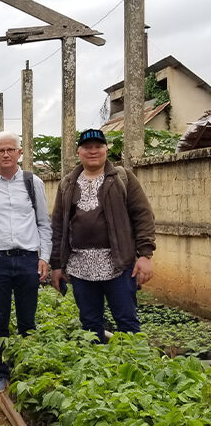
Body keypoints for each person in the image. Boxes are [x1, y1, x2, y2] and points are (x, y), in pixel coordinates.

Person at [50, 128, 155, 343]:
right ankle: (97, 370)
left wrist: (145, 255)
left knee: (127, 321)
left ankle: (134, 370)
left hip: (118, 263)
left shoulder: (123, 178)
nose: (93, 151)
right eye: (87, 147)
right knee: (89, 324)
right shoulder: (68, 183)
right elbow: (58, 227)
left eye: (98, 146)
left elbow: (143, 216)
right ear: (79, 152)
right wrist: (57, 266)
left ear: (106, 149)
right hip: (80, 266)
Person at [0, 131, 52, 393]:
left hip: (27, 259)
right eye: (0, 150)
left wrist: (44, 257)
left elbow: (43, 224)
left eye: (10, 150)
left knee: (28, 320)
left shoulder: (32, 182)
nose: (6, 154)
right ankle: (1, 374)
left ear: (20, 153)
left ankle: (26, 372)